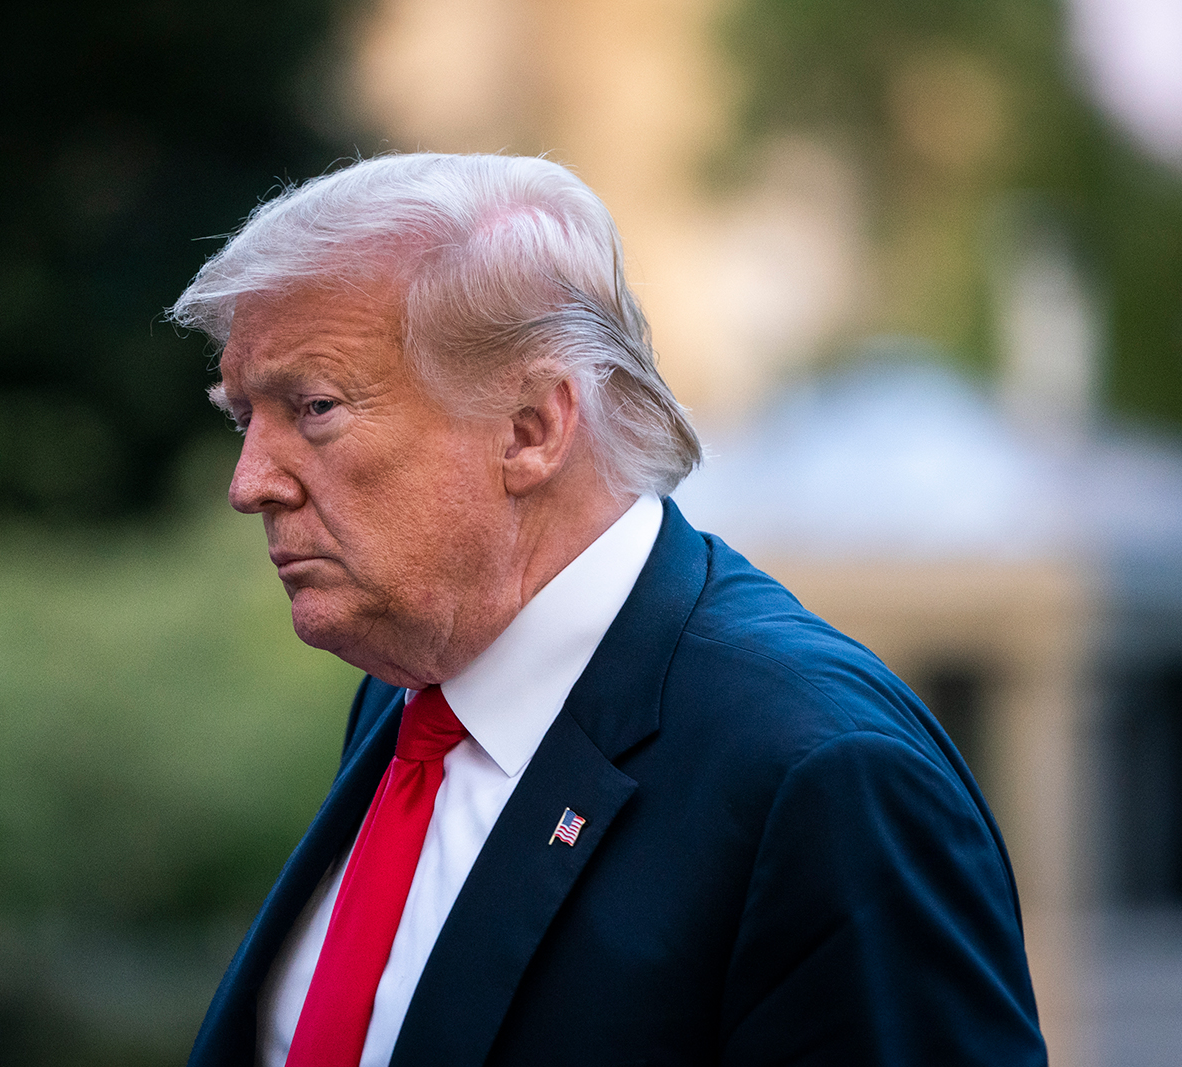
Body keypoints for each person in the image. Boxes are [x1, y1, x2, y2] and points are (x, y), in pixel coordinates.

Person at [167, 153, 1046, 1067]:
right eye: (244, 417)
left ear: (533, 428)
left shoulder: (821, 772)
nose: (250, 483)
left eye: (314, 407)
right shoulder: (410, 690)